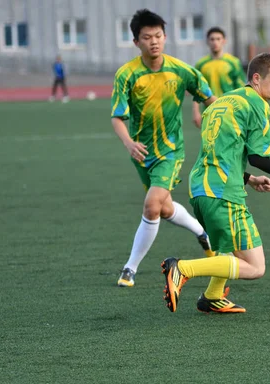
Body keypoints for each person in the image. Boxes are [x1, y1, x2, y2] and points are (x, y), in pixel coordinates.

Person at [159, 53, 270, 314]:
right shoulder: (257, 105)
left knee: (229, 250)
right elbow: (258, 157)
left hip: (200, 188)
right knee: (255, 267)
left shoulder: (220, 102)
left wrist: (248, 178)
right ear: (256, 79)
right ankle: (182, 268)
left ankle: (212, 297)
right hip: (223, 192)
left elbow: (222, 151)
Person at [110, 9, 218, 287]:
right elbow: (117, 117)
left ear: (165, 37)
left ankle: (129, 269)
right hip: (141, 154)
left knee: (151, 205)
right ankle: (202, 232)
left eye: (158, 35)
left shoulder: (181, 70)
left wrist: (225, 124)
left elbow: (210, 99)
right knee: (165, 208)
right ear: (136, 42)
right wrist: (129, 143)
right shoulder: (127, 74)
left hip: (171, 152)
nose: (154, 41)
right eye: (147, 37)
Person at [191, 27, 247, 128]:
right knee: (210, 143)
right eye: (212, 39)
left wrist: (242, 111)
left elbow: (241, 89)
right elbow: (197, 89)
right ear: (207, 42)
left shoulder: (233, 62)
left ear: (224, 41)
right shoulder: (201, 64)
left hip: (231, 112)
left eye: (218, 39)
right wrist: (196, 112)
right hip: (209, 112)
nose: (215, 42)